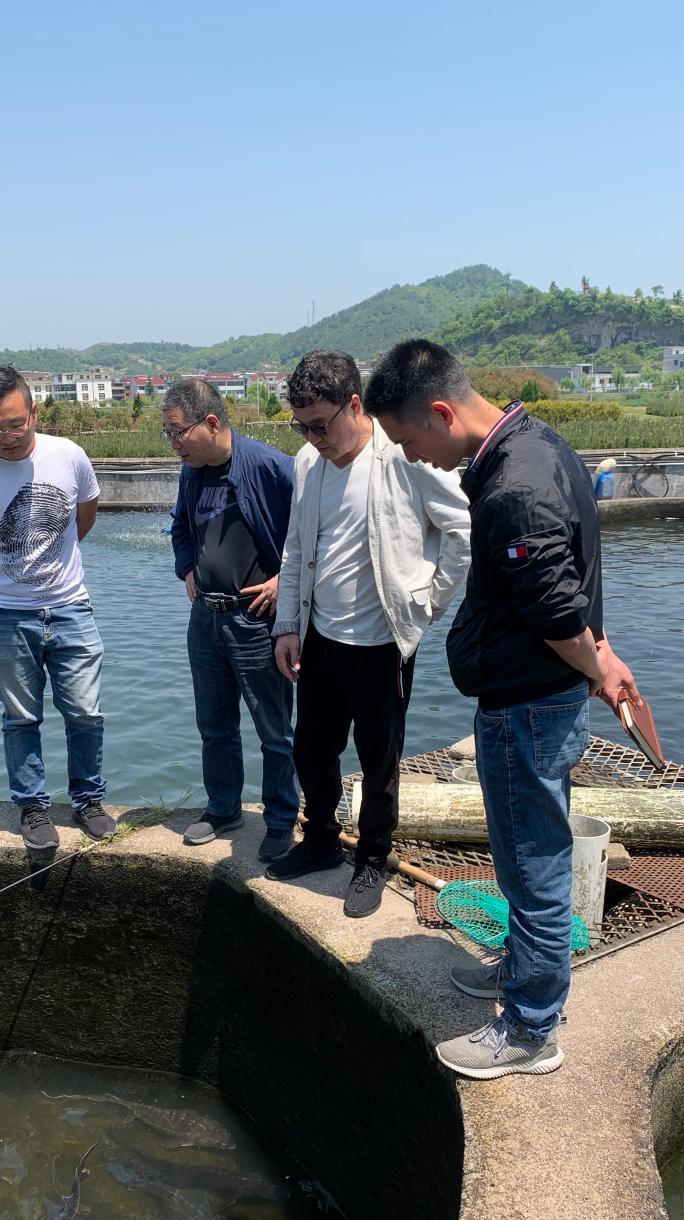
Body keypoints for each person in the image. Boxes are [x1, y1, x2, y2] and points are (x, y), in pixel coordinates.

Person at [364, 339, 641, 1078]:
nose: (414, 457)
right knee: (526, 854)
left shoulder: (514, 486)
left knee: (532, 863)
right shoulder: (540, 444)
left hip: (527, 705)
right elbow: (577, 573)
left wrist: (597, 665)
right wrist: (602, 652)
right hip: (537, 696)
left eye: (409, 439)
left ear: (441, 411)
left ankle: (529, 1028)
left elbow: (555, 610)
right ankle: (523, 967)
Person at [268, 351, 470, 918]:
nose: (313, 439)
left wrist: (428, 604)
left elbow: (462, 530)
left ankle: (373, 859)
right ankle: (321, 840)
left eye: (320, 425)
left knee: (379, 760)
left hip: (383, 641)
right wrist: (287, 625)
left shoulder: (405, 455)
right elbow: (296, 549)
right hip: (319, 634)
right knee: (312, 750)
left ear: (354, 405)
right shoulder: (308, 463)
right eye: (302, 427)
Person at [0, 363, 116, 850]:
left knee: (86, 712)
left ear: (34, 412)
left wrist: (51, 567)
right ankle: (33, 806)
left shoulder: (69, 456)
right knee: (20, 717)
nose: (7, 437)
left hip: (71, 605)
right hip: (5, 615)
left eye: (16, 423)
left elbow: (83, 518)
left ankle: (88, 800)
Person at [167, 378, 299, 860]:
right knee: (214, 724)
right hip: (206, 618)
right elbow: (180, 527)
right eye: (168, 434)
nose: (173, 443)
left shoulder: (270, 466)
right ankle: (223, 807)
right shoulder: (192, 472)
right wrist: (187, 568)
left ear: (211, 422)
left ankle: (281, 818)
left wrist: (285, 580)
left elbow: (313, 532)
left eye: (178, 432)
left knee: (274, 729)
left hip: (256, 621)